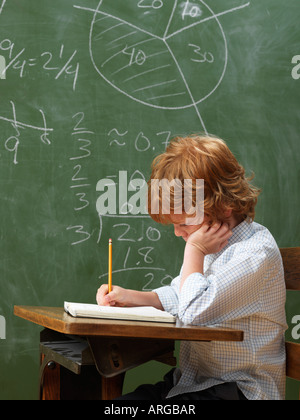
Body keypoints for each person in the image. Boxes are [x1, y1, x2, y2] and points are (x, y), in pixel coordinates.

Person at [96, 134, 287, 400]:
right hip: (191, 383)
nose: (177, 233)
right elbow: (180, 295)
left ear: (225, 204)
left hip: (238, 391)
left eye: (184, 223)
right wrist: (129, 298)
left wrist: (194, 250)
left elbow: (193, 313)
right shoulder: (215, 245)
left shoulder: (254, 254)